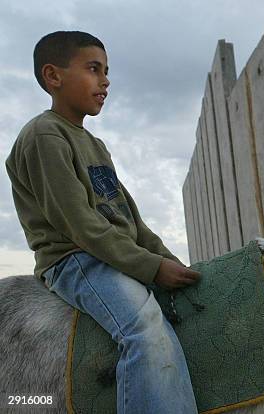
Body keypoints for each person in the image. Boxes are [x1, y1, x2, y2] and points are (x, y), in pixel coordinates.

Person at [4, 31, 200, 414]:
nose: (105, 80)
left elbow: (131, 221)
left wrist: (168, 259)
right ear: (53, 76)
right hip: (75, 259)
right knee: (143, 330)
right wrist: (151, 267)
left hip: (107, 253)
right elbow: (80, 224)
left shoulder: (95, 146)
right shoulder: (44, 135)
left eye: (107, 71)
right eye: (94, 69)